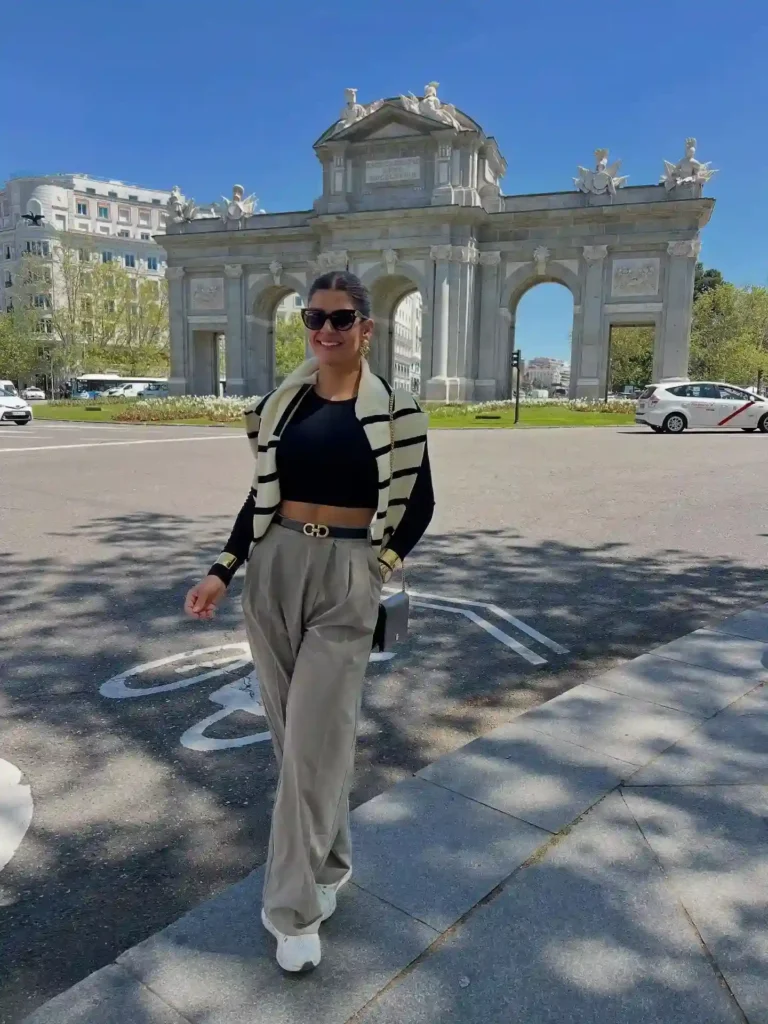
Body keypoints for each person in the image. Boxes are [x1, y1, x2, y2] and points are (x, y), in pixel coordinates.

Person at [184, 271, 434, 972]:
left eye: (340, 318)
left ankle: (290, 910)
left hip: (348, 573)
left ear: (366, 328)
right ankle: (331, 863)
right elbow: (259, 499)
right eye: (313, 318)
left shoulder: (398, 412)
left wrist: (375, 567)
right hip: (275, 570)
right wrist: (221, 569)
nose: (325, 330)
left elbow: (419, 505)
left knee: (314, 736)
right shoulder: (282, 408)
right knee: (298, 740)